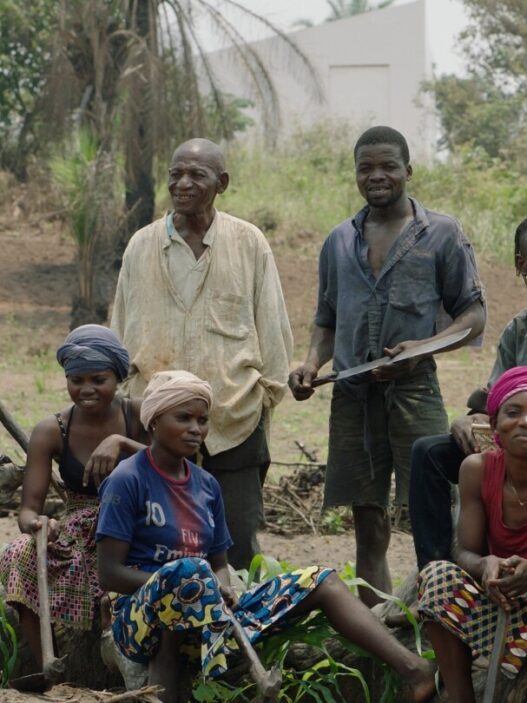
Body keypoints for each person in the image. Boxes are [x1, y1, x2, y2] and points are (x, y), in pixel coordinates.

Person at [96, 370, 436, 703]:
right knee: (186, 575)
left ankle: (415, 671)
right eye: (184, 418)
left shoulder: (206, 485)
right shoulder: (128, 480)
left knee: (322, 580)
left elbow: (219, 564)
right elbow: (109, 574)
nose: (196, 429)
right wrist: (188, 584)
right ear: (154, 420)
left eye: (202, 420)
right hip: (138, 622)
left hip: (211, 616)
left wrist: (221, 588)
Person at [289, 125, 486, 606]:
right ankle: (376, 622)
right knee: (367, 518)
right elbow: (327, 319)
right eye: (366, 168)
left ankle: (439, 618)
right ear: (356, 174)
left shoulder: (440, 233)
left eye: (387, 166)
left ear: (408, 171)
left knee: (434, 511)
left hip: (415, 389)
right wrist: (311, 363)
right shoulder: (338, 240)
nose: (376, 176)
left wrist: (420, 350)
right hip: (353, 398)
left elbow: (473, 317)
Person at [111, 138, 293, 570]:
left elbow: (273, 334)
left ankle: (240, 634)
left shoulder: (249, 243)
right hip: (153, 424)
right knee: (154, 541)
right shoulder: (141, 245)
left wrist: (262, 402)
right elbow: (120, 330)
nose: (183, 184)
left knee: (236, 544)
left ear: (222, 183)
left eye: (197, 175)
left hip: (232, 421)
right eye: (176, 174)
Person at [0, 325, 147, 669]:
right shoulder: (52, 430)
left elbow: (174, 472)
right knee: (19, 553)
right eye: (76, 380)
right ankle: (47, 664)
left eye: (98, 379)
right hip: (80, 532)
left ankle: (132, 660)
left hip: (137, 526)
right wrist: (38, 524)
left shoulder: (139, 415)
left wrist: (123, 444)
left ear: (118, 377)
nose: (86, 389)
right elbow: (28, 510)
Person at [410, 218, 527, 570]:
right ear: (522, 264)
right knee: (429, 453)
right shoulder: (519, 330)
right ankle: (435, 576)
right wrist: (468, 419)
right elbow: (498, 400)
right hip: (520, 442)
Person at [419, 366, 527, 703]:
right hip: (501, 604)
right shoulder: (477, 470)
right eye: (513, 412)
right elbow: (464, 552)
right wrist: (487, 564)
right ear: (493, 424)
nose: (524, 422)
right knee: (437, 576)